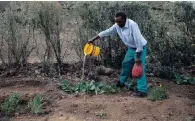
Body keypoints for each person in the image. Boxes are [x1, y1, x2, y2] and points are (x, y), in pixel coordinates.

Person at [88, 12, 147, 97]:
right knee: (126, 64)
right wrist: (93, 39)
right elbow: (107, 32)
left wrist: (138, 57)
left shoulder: (132, 25)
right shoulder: (117, 25)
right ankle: (122, 82)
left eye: (119, 21)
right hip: (131, 48)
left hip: (140, 48)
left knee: (139, 68)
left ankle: (142, 90)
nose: (117, 23)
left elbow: (138, 40)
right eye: (116, 21)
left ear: (124, 20)